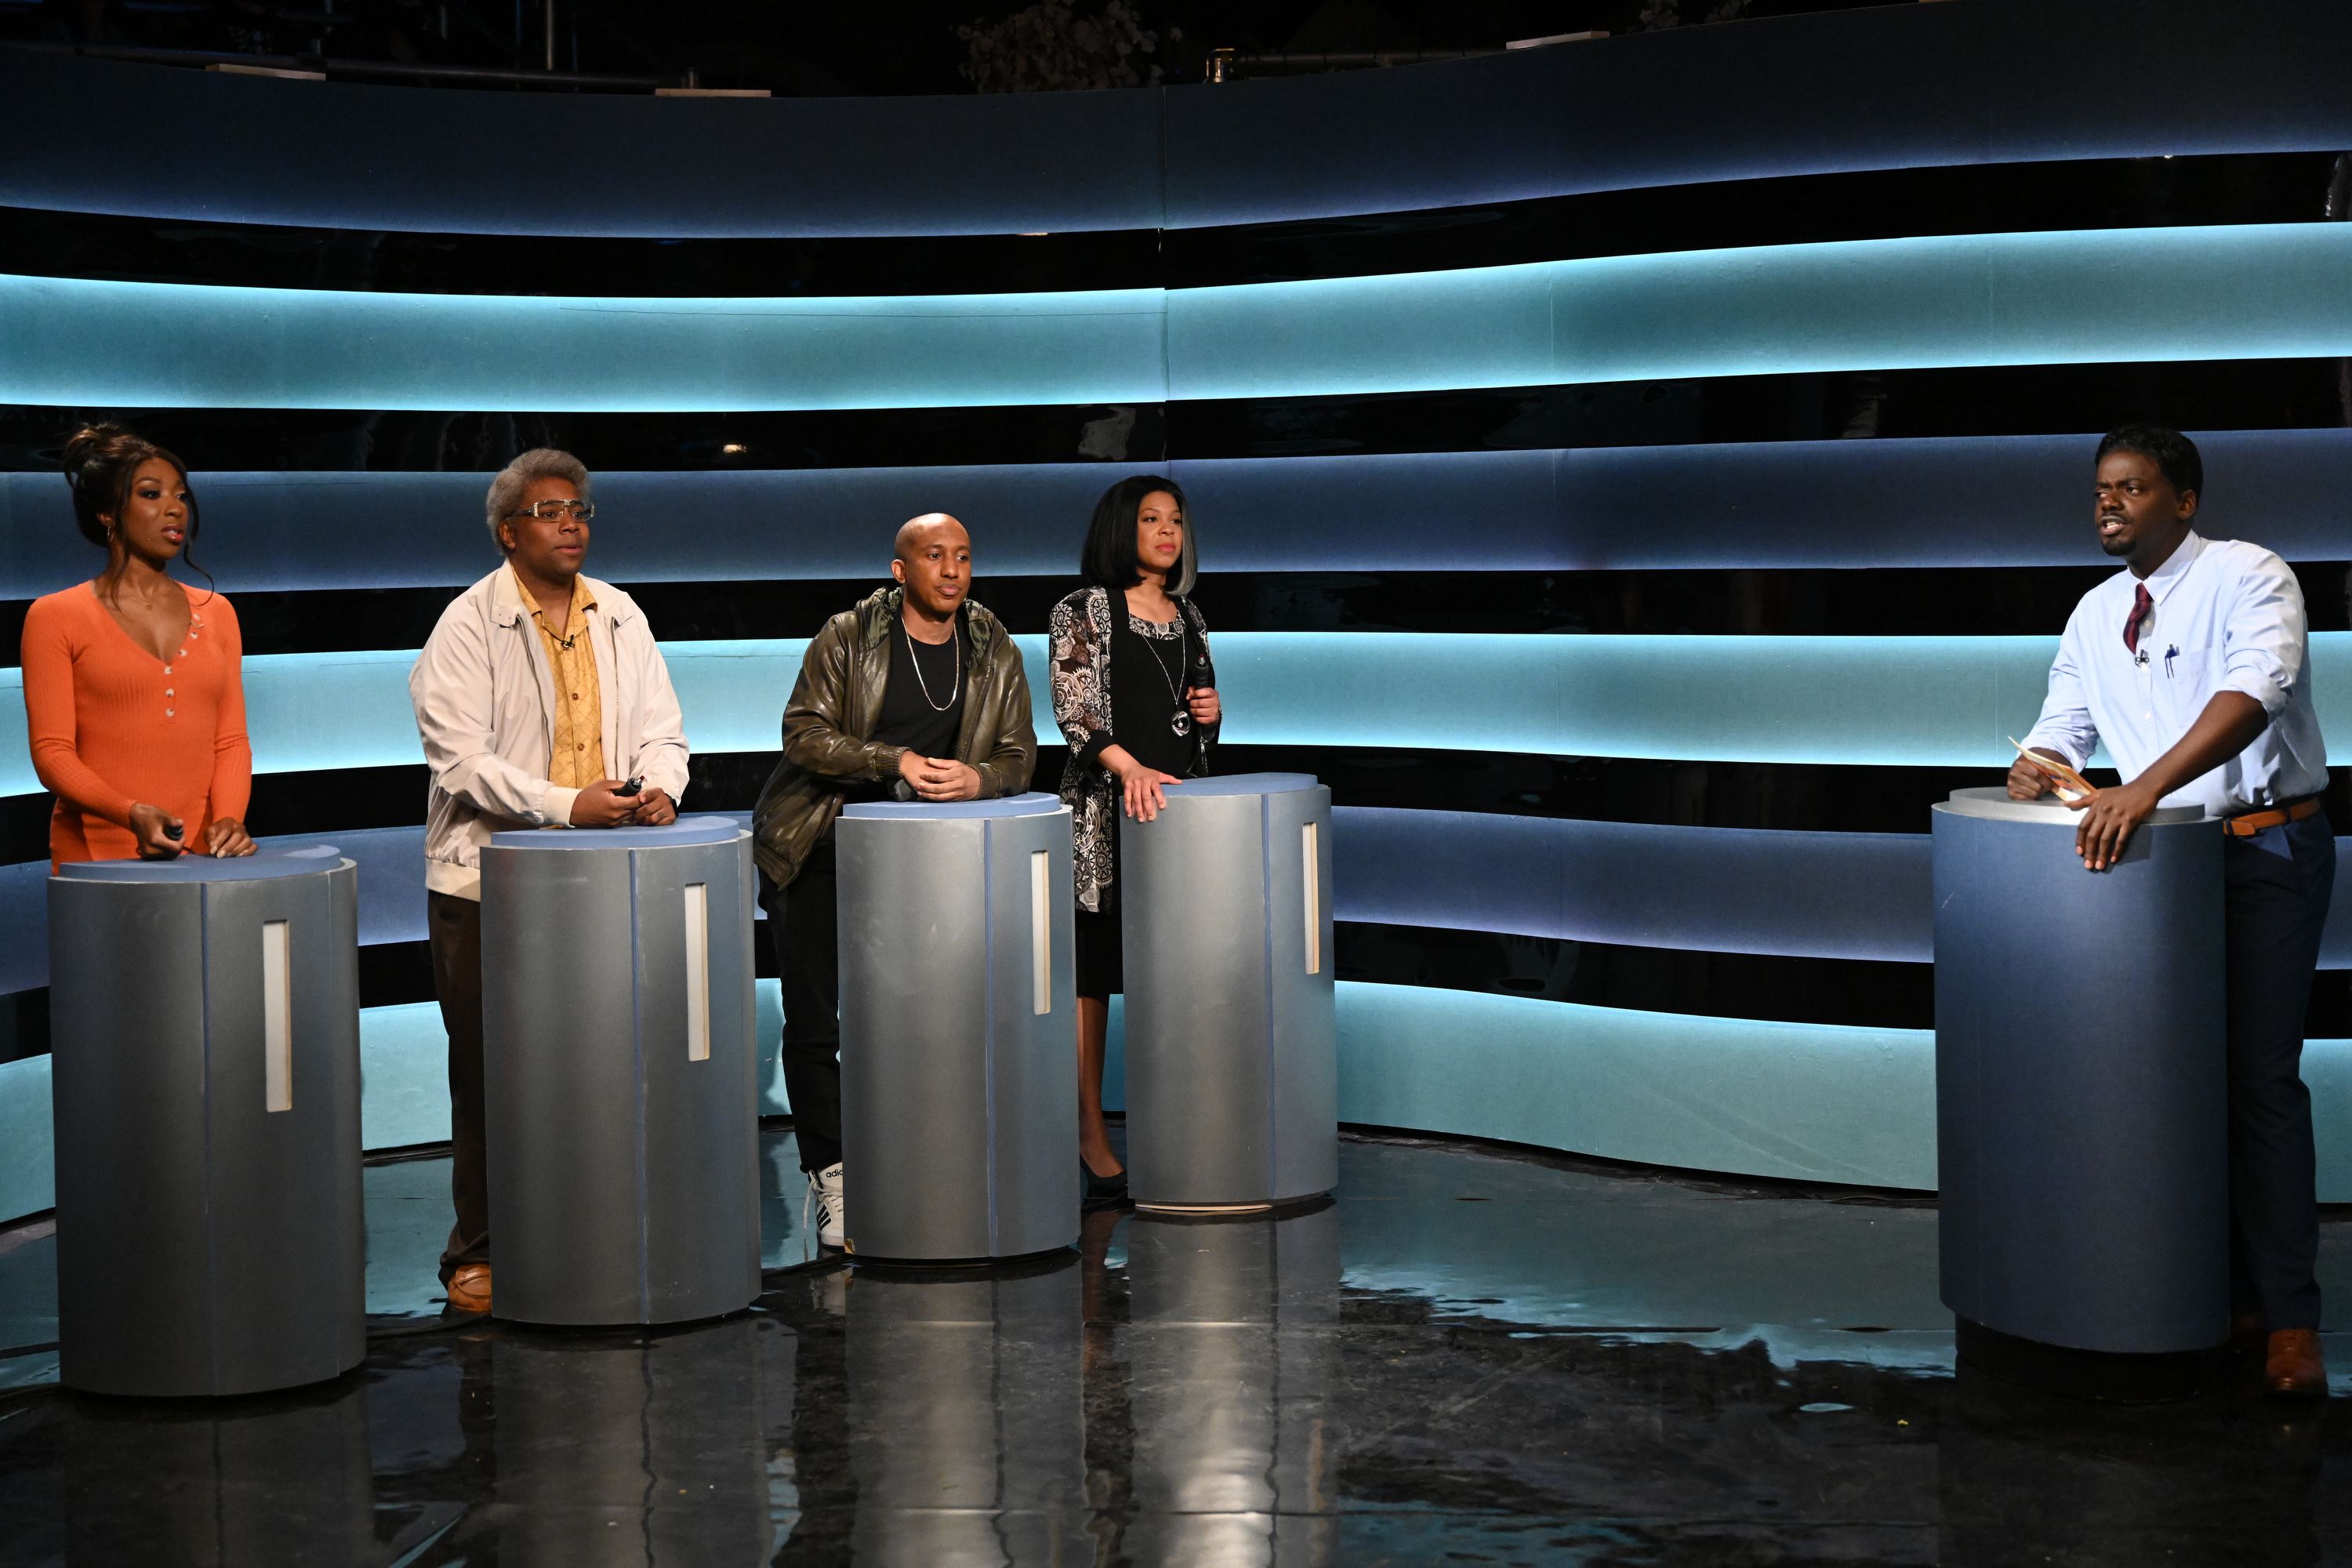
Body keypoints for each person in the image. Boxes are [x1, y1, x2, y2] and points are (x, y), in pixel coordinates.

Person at [2011, 426, 2333, 1397]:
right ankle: (2211, 1294)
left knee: (2257, 1082)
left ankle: (2289, 1319)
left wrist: (2142, 786)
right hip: (2154, 868)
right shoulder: (2094, 611)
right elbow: (2061, 725)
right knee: (2176, 1085)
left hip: (2260, 849)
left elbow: (2257, 690)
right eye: (2102, 490)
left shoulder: (2249, 574)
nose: (2109, 504)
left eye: (2132, 488)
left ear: (2183, 501)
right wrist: (2034, 766)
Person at [407, 448, 689, 1316]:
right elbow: (461, 763)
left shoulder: (620, 612)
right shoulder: (467, 623)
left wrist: (658, 793)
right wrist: (571, 804)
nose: (573, 522)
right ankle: (479, 1250)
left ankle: (590, 1230)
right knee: (493, 1074)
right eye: (552, 509)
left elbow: (663, 729)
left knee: (598, 1066)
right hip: (488, 885)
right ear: (508, 530)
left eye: (582, 508)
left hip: (599, 881)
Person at [750, 513, 1036, 1250]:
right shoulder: (849, 635)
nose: (952, 570)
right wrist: (893, 761)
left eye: (964, 557)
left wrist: (978, 778)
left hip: (920, 865)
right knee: (817, 1024)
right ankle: (833, 1178)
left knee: (918, 1022)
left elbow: (1018, 755)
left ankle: (914, 1166)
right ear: (900, 569)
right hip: (817, 845)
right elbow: (803, 733)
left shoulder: (993, 645)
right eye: (934, 557)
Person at [1048, 477, 1221, 1205]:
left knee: (1174, 977)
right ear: (1122, 528)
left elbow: (1194, 726)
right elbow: (1076, 713)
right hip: (1104, 817)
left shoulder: (1189, 615)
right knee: (1093, 980)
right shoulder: (1083, 609)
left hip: (1177, 824)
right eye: (1151, 519)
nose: (1166, 531)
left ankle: (1184, 1129)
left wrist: (1211, 715)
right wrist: (1130, 770)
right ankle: (1087, 1134)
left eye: (1175, 520)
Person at [23, 424, 254, 869]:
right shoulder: (55, 616)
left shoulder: (218, 612)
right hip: (97, 857)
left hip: (203, 856)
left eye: (181, 496)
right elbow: (52, 752)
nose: (174, 509)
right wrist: (130, 814)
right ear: (108, 513)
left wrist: (229, 820)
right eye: (152, 495)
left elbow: (231, 741)